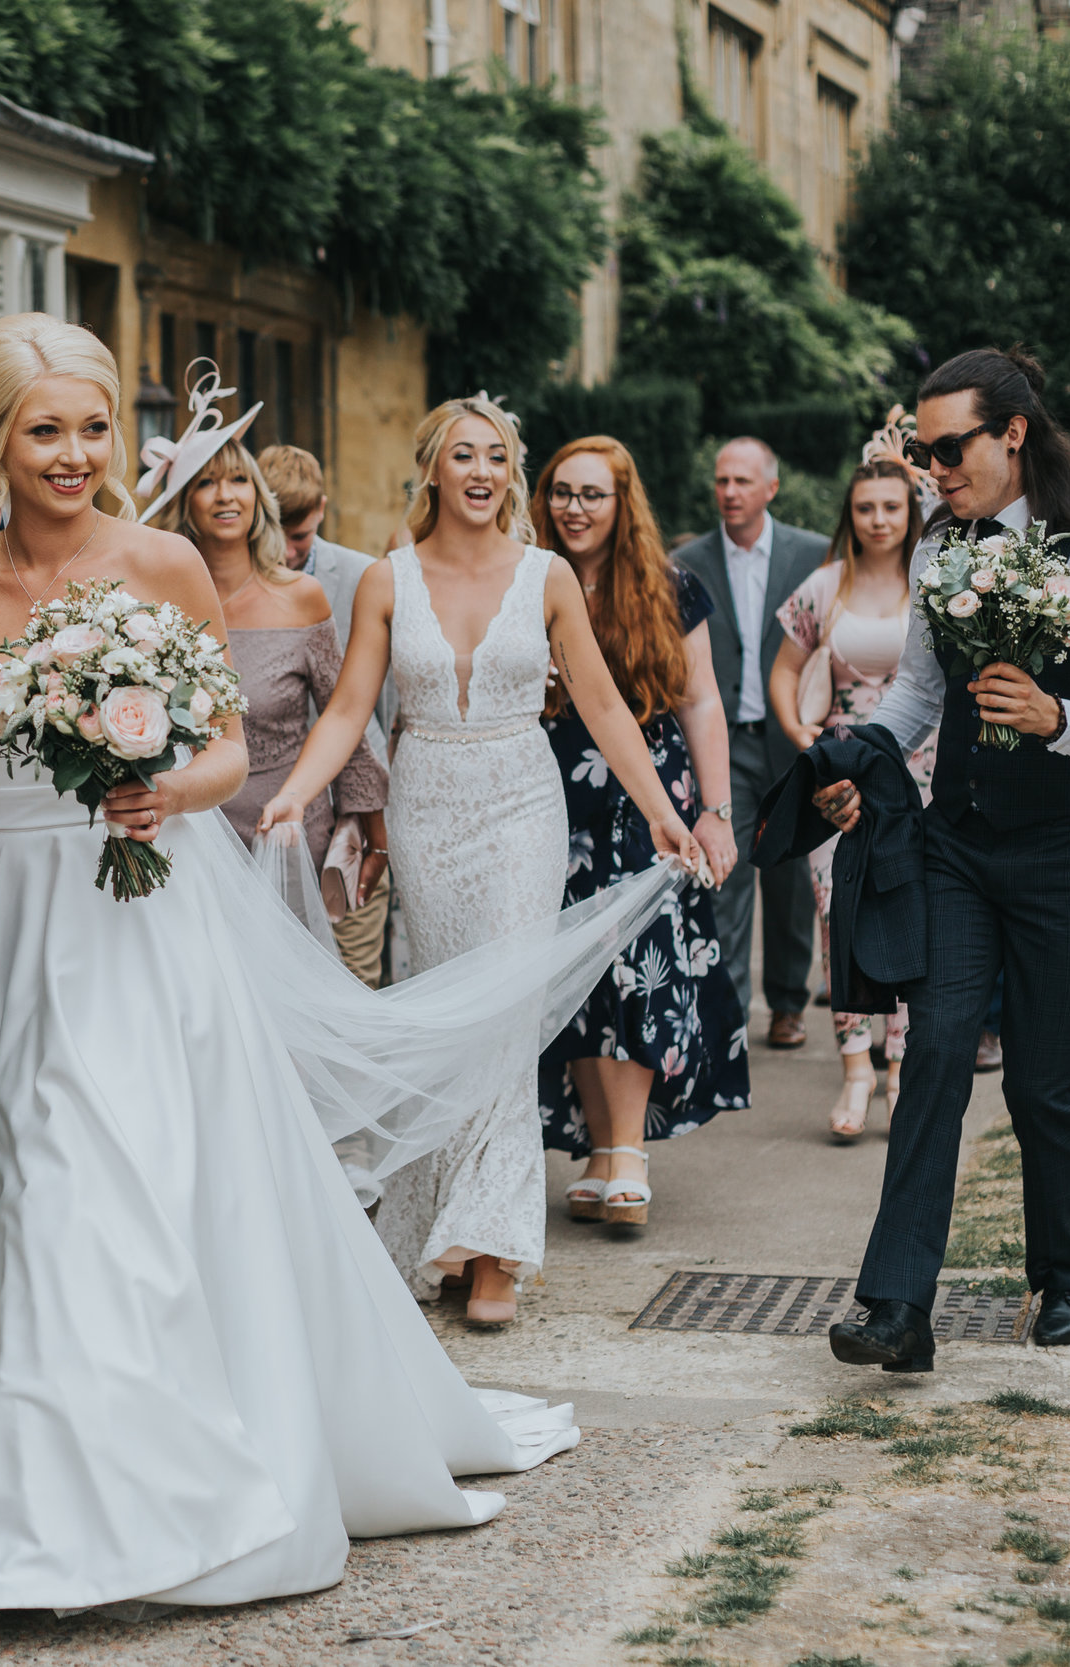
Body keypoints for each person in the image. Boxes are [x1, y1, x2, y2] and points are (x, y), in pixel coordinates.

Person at [0, 313, 699, 1618]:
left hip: (141, 920)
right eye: (45, 431)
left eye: (93, 429)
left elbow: (212, 756)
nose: (74, 454)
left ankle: (53, 1525)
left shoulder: (165, 566)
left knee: (89, 1167)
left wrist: (154, 789)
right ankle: (9, 1465)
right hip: (3, 914)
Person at [262, 395, 704, 1326]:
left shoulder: (547, 576)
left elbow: (603, 705)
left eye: (495, 457)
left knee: (503, 1016)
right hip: (429, 804)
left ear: (510, 473)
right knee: (450, 1016)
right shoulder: (386, 579)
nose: (479, 472)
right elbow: (349, 708)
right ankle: (443, 1224)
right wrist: (300, 789)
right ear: (431, 468)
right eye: (461, 455)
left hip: (519, 804)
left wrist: (667, 812)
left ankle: (496, 1244)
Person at [814, 346, 1070, 1374]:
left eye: (948, 448)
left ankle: (1064, 1271)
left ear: (1012, 432)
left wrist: (1057, 717)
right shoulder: (936, 545)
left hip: (1061, 851)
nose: (934, 468)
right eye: (922, 451)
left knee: (1043, 1082)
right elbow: (919, 695)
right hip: (956, 842)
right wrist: (857, 762)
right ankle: (896, 1305)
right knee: (933, 1055)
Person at [531, 437, 745, 1226]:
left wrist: (714, 811)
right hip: (554, 800)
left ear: (623, 505)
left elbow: (702, 704)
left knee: (638, 966)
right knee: (575, 973)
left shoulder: (670, 587)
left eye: (592, 494)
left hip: (647, 799)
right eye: (561, 492)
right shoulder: (526, 582)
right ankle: (597, 1149)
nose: (574, 508)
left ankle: (628, 1149)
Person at [138, 394, 389, 908]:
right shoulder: (155, 607)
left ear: (257, 495)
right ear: (184, 502)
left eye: (238, 479)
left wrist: (373, 830)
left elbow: (344, 717)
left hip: (288, 830)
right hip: (192, 833)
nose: (226, 495)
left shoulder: (301, 597)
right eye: (206, 483)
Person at [768, 459, 933, 1141]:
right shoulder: (823, 587)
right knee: (839, 913)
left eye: (891, 506)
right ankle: (853, 1065)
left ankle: (899, 1067)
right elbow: (781, 674)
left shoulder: (933, 582)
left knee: (908, 912)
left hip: (919, 772)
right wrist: (803, 734)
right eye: (866, 507)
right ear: (851, 512)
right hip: (839, 777)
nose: (879, 519)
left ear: (910, 510)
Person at [670, 439, 827, 1048]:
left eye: (741, 481)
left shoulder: (813, 555)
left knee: (789, 873)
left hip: (791, 738)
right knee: (723, 873)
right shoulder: (685, 560)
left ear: (771, 488)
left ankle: (788, 1003)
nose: (729, 492)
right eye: (720, 481)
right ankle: (727, 1006)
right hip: (722, 742)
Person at [259, 441, 398, 985]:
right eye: (276, 536)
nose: (288, 555)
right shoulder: (234, 586)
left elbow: (386, 709)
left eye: (299, 537)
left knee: (356, 978)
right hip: (272, 814)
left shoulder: (366, 575)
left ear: (321, 507)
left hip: (353, 815)